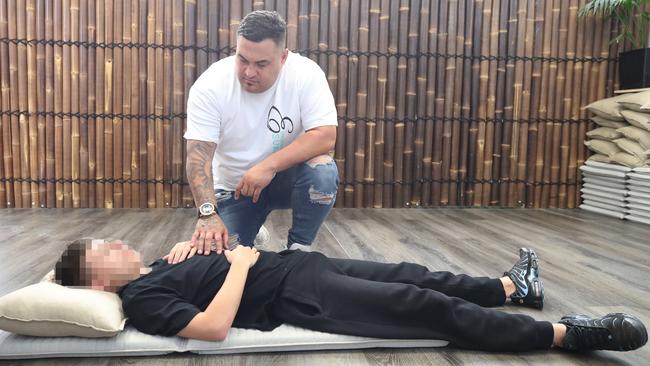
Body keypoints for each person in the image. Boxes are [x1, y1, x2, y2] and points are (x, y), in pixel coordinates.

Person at [54, 239, 647, 353]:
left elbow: (204, 273)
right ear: (98, 279)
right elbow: (210, 327)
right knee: (426, 310)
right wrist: (238, 263)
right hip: (292, 295)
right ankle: (568, 334)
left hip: (300, 266)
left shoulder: (159, 267)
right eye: (105, 247)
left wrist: (195, 247)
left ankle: (513, 288)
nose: (117, 241)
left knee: (414, 274)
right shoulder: (141, 303)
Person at [183, 10, 338, 255]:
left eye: (261, 64)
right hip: (235, 189)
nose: (249, 72)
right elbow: (197, 156)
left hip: (287, 181)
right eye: (242, 59)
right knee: (223, 259)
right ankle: (250, 227)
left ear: (283, 57)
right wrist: (208, 214)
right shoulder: (211, 84)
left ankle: (298, 250)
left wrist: (268, 166)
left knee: (323, 170)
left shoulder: (306, 74)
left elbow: (326, 135)